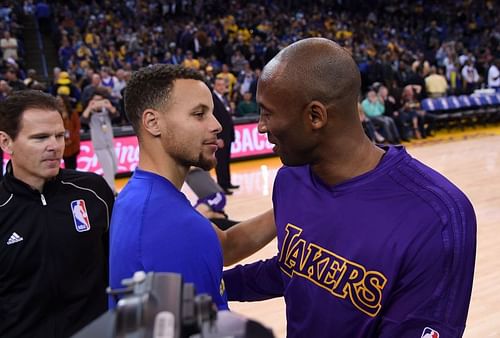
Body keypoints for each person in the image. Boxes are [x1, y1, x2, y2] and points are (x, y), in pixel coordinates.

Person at [223, 38, 477, 337]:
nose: (261, 127)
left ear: (315, 116)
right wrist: (219, 285)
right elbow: (299, 270)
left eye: (267, 113)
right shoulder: (291, 180)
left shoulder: (439, 216)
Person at [109, 64, 275, 311]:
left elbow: (226, 245)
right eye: (199, 114)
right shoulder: (171, 223)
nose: (216, 124)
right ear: (153, 123)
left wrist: (287, 207)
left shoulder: (139, 196)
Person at [0, 90, 115, 337]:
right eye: (40, 138)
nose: (54, 146)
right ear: (6, 142)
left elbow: (118, 267)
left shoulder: (93, 191)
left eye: (59, 135)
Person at [80, 88, 119, 193]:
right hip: (100, 146)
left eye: (100, 100)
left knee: (115, 168)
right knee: (108, 170)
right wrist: (89, 106)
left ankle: (106, 188)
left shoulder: (106, 111)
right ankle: (111, 191)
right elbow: (82, 119)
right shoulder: (90, 113)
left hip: (110, 144)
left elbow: (117, 115)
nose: (98, 103)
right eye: (95, 100)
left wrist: (109, 105)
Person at [212, 77, 239, 194]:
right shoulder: (213, 99)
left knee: (226, 160)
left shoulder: (224, 98)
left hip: (227, 136)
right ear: (215, 86)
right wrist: (217, 138)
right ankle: (222, 186)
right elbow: (213, 120)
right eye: (219, 85)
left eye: (223, 85)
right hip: (220, 138)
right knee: (220, 162)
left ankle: (227, 182)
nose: (222, 87)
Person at [57, 91, 81, 169]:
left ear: (64, 101)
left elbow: (77, 128)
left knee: (73, 165)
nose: (58, 102)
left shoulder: (73, 113)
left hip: (73, 144)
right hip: (62, 144)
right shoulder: (56, 114)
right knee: (66, 165)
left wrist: (71, 139)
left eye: (60, 100)